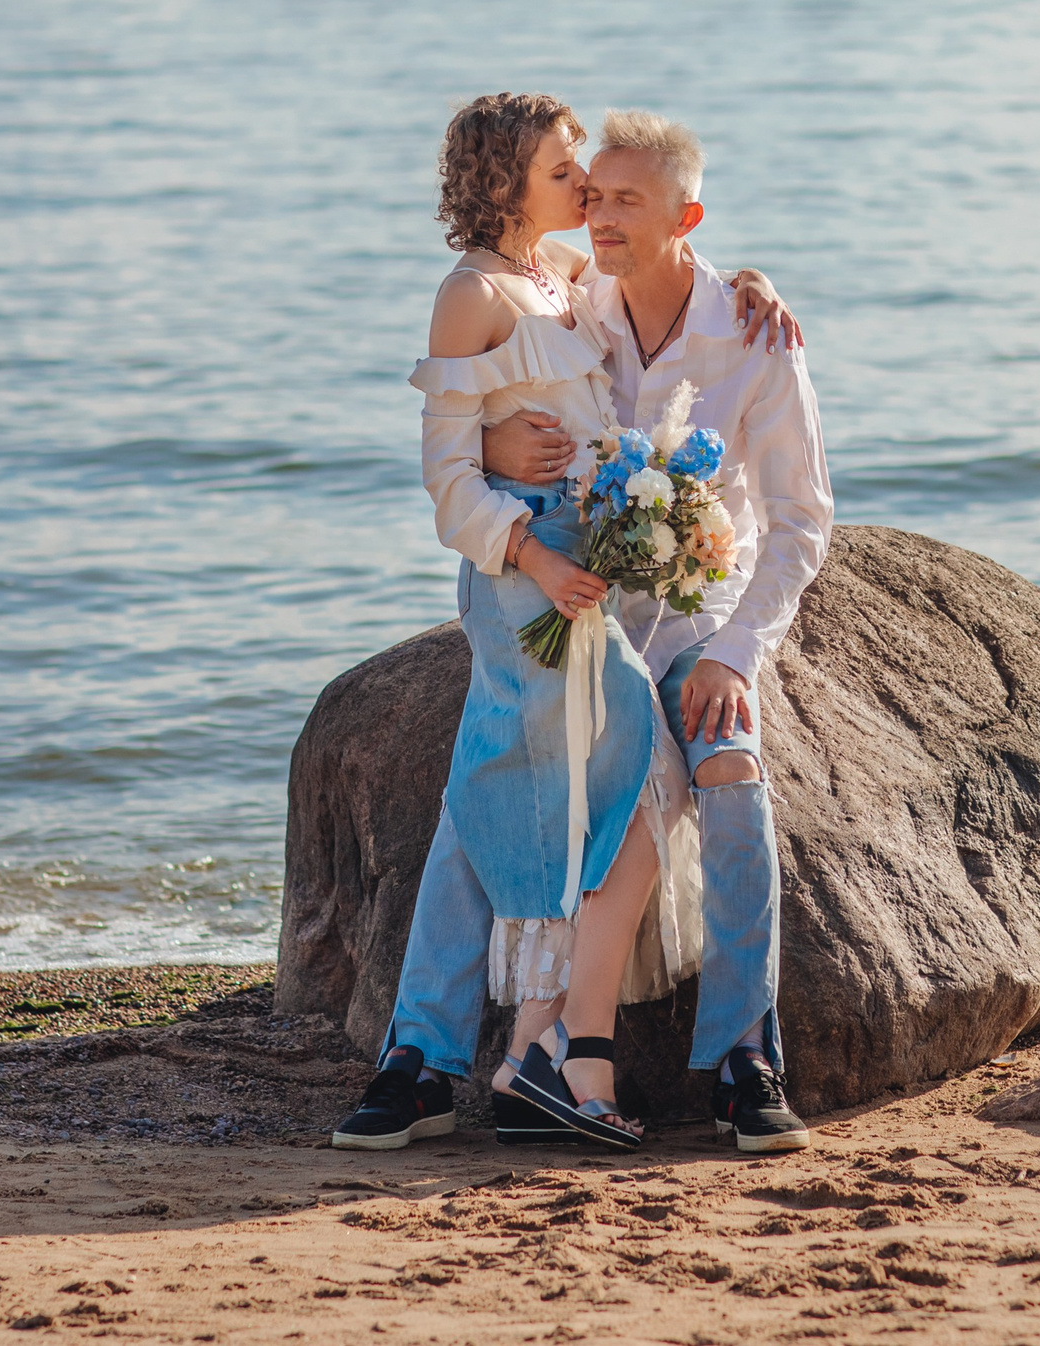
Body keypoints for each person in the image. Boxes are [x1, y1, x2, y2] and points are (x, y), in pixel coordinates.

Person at [331, 94, 801, 1153]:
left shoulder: (579, 279)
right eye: (566, 169)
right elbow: (447, 464)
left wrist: (750, 287)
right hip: (532, 570)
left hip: (635, 580)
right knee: (499, 774)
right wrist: (514, 505)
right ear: (509, 180)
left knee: (654, 769)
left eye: (594, 176)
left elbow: (665, 256)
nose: (585, 188)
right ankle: (449, 1055)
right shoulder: (485, 291)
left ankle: (668, 1052)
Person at [483, 108, 832, 1154]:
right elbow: (475, 378)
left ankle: (743, 1055)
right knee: (549, 765)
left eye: (626, 199)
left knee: (726, 759)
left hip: (699, 609)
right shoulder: (568, 305)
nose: (598, 215)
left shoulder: (755, 339)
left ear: (685, 215)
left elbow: (802, 522)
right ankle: (460, 1048)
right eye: (592, 195)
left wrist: (735, 650)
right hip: (588, 604)